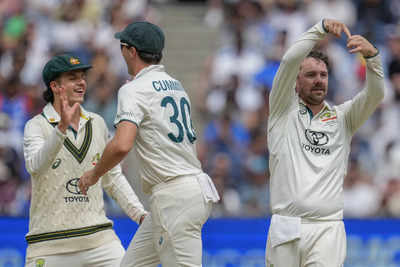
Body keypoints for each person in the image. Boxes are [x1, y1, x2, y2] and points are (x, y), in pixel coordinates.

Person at [78, 21, 220, 267]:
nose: (121, 51)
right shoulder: (176, 86)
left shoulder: (133, 89)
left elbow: (122, 144)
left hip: (174, 197)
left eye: (123, 46)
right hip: (185, 191)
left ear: (132, 51)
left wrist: (94, 174)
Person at [266, 19, 384, 266]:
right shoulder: (281, 111)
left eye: (323, 75)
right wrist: (318, 29)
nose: (318, 80)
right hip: (286, 225)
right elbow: (289, 61)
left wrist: (372, 58)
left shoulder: (343, 118)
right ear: (296, 82)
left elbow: (375, 94)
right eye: (310, 75)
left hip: (327, 228)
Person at [23, 54, 147, 267]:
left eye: (83, 77)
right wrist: (61, 129)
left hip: (99, 242)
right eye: (72, 77)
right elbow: (35, 166)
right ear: (55, 86)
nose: (81, 82)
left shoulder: (97, 124)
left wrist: (140, 215)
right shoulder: (36, 126)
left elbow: (113, 178)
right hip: (50, 245)